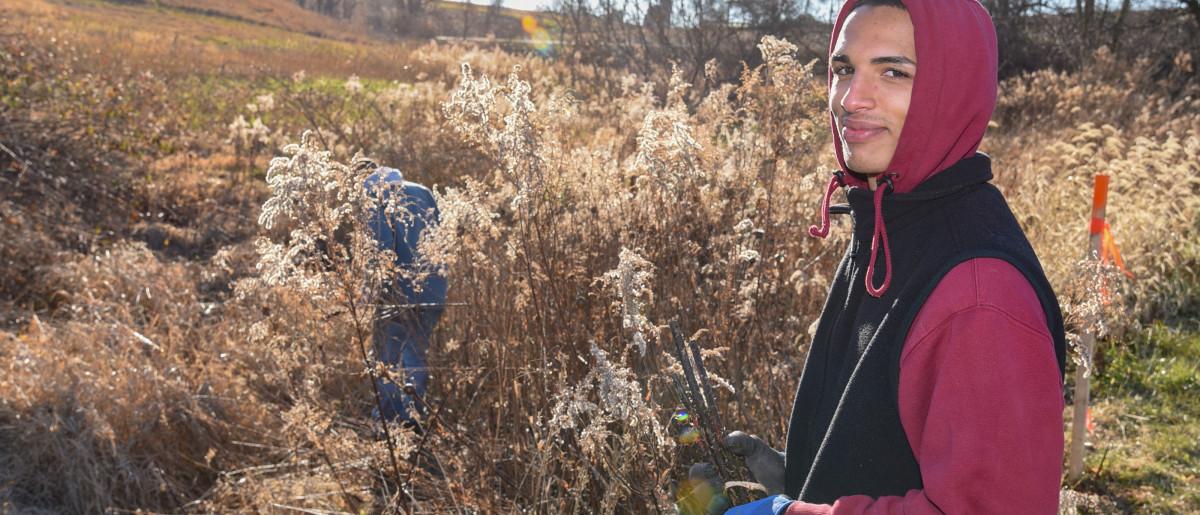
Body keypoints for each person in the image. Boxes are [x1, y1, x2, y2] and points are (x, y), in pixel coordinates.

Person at [696, 1, 1068, 513]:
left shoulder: (979, 293)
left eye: (893, 72)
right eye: (843, 69)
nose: (851, 99)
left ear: (954, 88)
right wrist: (797, 477)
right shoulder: (892, 221)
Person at [358, 159, 448, 427]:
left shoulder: (376, 196)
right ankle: (413, 420)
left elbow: (380, 251)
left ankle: (388, 425)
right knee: (415, 356)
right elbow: (441, 241)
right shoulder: (423, 192)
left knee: (387, 360)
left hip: (396, 296)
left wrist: (366, 293)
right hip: (433, 290)